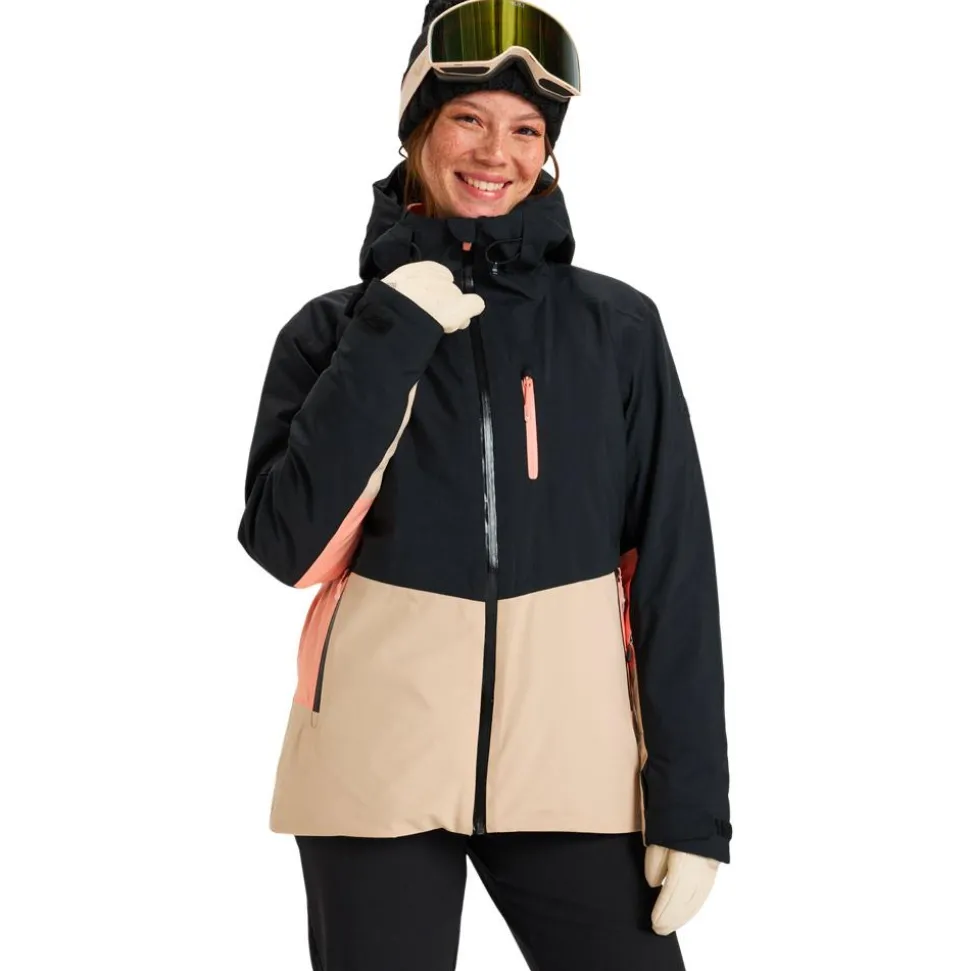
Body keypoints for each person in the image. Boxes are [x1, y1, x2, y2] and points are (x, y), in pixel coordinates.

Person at [236, 1, 732, 968]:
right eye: (468, 118)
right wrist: (393, 330)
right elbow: (286, 544)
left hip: (575, 766)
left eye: (526, 130)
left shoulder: (616, 330)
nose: (495, 153)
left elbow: (674, 570)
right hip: (373, 767)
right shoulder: (332, 332)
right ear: (419, 128)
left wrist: (692, 803)